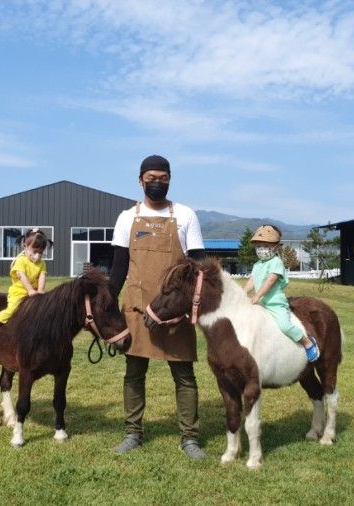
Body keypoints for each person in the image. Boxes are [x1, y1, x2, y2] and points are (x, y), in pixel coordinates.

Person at [109, 154, 207, 460]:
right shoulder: (127, 218)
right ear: (140, 180)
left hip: (174, 313)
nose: (157, 183)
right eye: (151, 178)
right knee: (134, 373)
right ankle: (132, 433)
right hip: (137, 309)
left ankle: (190, 438)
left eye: (163, 178)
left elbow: (199, 268)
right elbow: (118, 270)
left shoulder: (186, 215)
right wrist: (107, 307)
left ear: (170, 180)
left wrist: (192, 307)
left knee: (184, 375)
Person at [244, 225, 320, 362]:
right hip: (261, 304)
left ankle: (307, 343)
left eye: (265, 245)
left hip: (274, 304)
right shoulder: (257, 265)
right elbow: (252, 280)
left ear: (275, 246)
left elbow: (270, 280)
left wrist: (257, 296)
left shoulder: (276, 262)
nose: (261, 249)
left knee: (285, 326)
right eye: (258, 245)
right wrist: (242, 293)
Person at [0, 228, 52, 345]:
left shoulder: (42, 263)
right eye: (34, 252)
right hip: (19, 293)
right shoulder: (21, 261)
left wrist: (40, 291)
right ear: (25, 246)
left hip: (35, 293)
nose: (38, 256)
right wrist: (30, 290)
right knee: (12, 310)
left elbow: (42, 276)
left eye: (41, 252)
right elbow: (21, 275)